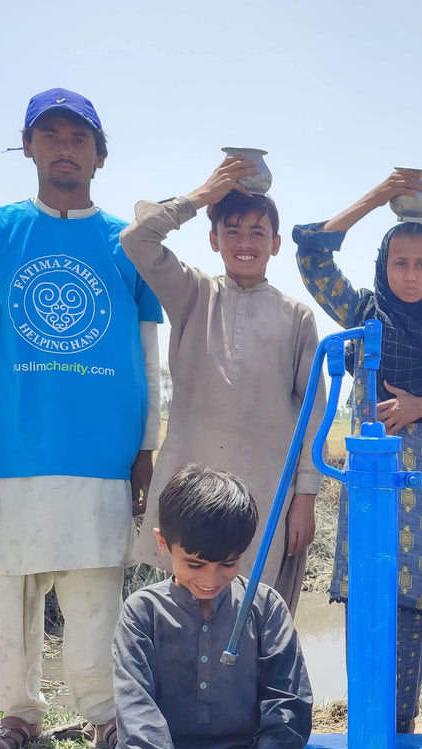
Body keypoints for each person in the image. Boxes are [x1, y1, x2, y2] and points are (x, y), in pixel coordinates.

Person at [0, 88, 162, 749]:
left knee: (95, 597)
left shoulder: (129, 244)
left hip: (101, 457)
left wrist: (145, 448)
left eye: (80, 135)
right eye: (51, 133)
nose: (65, 144)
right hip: (12, 451)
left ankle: (104, 717)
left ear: (101, 156)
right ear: (29, 145)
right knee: (6, 592)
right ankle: (18, 713)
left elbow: (149, 353)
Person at [293, 170, 422, 732]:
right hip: (371, 500)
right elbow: (313, 258)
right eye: (399, 262)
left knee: (412, 626)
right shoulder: (363, 317)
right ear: (384, 265)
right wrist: (378, 198)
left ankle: (397, 740)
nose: (410, 274)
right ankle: (367, 742)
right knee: (367, 618)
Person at [121, 158, 324, 615]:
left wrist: (305, 498)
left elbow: (313, 412)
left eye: (257, 232)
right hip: (189, 491)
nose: (244, 242)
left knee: (253, 617)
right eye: (231, 230)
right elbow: (137, 239)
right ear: (213, 240)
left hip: (267, 494)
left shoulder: (297, 317)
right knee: (187, 608)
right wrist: (202, 196)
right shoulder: (191, 293)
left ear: (275, 244)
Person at [112, 465, 312, 749]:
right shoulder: (141, 613)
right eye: (194, 563)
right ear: (164, 544)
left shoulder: (265, 606)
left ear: (245, 552)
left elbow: (290, 705)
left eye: (228, 565)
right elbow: (136, 714)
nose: (209, 580)